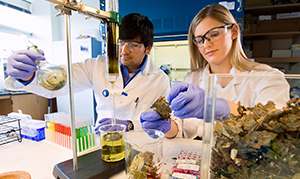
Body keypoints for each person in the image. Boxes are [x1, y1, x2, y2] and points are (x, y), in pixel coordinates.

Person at [140, 4, 290, 139]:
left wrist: (221, 108)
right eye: (199, 39)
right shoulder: (190, 79)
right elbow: (176, 128)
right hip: (194, 161)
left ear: (234, 31)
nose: (206, 44)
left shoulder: (268, 78)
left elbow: (274, 127)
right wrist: (164, 126)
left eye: (214, 34)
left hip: (243, 165)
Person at [4, 13, 170, 132]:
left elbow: (163, 121)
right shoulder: (96, 65)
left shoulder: (160, 79)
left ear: (148, 49)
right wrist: (28, 76)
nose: (123, 51)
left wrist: (131, 125)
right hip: (102, 142)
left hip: (140, 145)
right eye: (120, 43)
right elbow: (59, 83)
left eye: (133, 45)